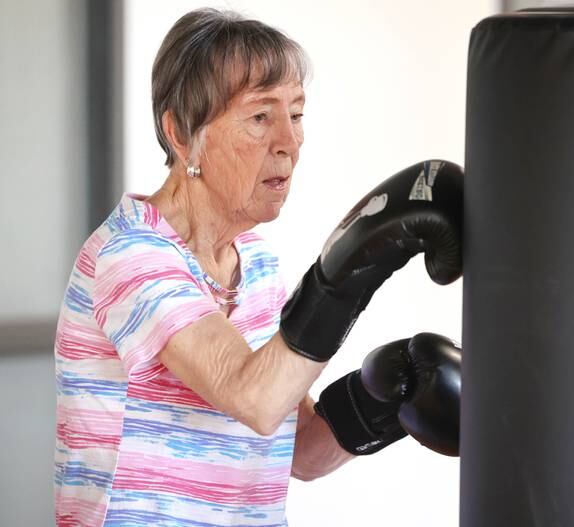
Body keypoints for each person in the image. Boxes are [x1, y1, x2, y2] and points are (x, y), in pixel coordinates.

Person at [54, 8, 462, 527]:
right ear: (181, 134)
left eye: (295, 115)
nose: (288, 144)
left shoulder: (257, 265)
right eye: (259, 117)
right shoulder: (130, 254)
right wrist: (351, 272)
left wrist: (380, 400)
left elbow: (297, 451)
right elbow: (254, 396)